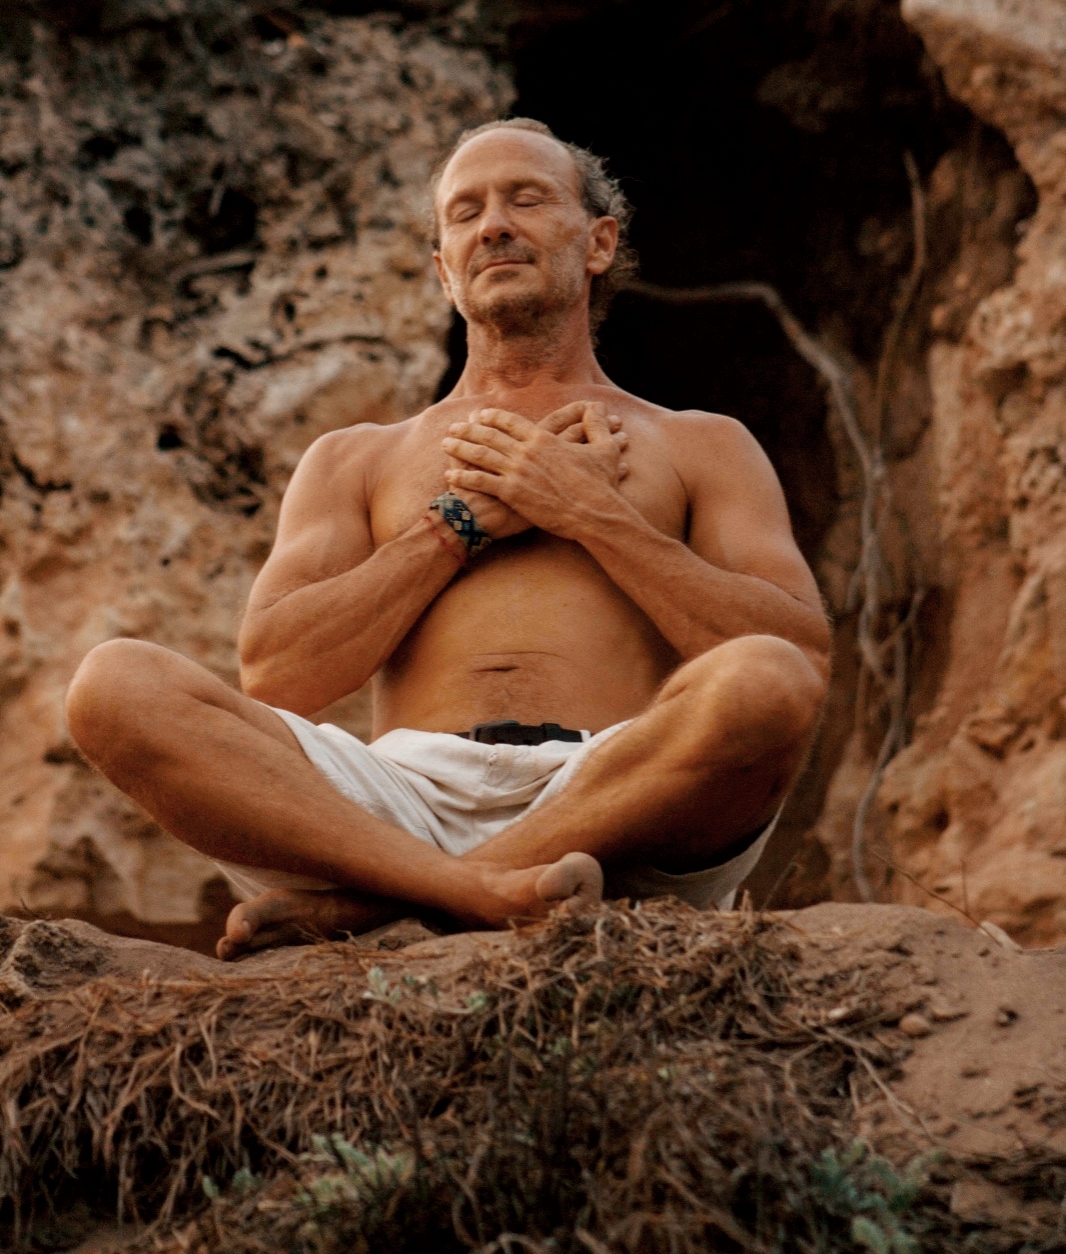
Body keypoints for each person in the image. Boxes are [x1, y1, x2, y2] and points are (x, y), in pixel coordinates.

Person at [65, 118, 830, 960]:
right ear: (443, 269)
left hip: (615, 798)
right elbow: (281, 673)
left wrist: (588, 512)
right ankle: (466, 891)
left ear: (600, 242)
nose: (493, 225)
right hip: (397, 802)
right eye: (465, 212)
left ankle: (385, 904)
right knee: (113, 686)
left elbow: (798, 656)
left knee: (767, 680)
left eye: (526, 199)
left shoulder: (701, 444)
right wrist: (461, 523)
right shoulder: (355, 457)